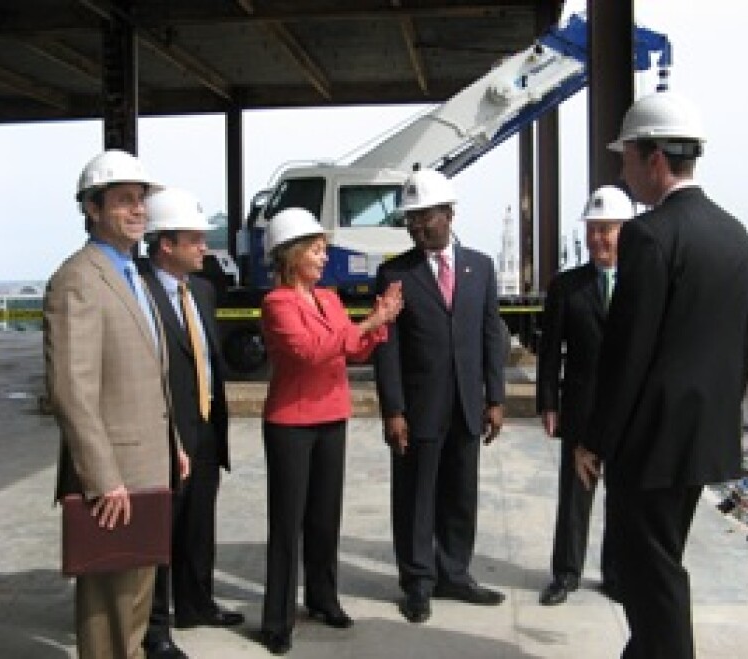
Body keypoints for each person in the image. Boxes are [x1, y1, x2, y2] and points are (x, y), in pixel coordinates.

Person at [574, 92, 748, 659]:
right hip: (702, 437)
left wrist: (595, 438)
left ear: (654, 159)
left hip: (651, 442)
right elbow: (743, 344)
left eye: (626, 157)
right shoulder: (735, 234)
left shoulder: (651, 235)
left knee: (650, 575)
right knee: (661, 560)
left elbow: (627, 354)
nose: (623, 170)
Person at [44, 149, 190, 659]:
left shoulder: (132, 275)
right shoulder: (79, 280)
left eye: (141, 200)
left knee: (134, 610)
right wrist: (103, 478)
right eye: (124, 200)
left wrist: (172, 444)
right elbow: (72, 390)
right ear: (92, 208)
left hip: (147, 468)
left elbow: (149, 374)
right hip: (114, 481)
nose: (137, 210)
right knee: (108, 616)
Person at [258, 208, 403, 655]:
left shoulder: (330, 298)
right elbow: (309, 352)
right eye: (317, 250)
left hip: (330, 415)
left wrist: (377, 326)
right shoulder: (277, 304)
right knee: (288, 522)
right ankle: (277, 618)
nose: (324, 258)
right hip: (291, 422)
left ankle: (323, 597)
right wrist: (370, 324)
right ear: (293, 254)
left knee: (324, 517)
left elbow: (351, 350)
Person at [374, 168, 506, 625]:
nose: (415, 225)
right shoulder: (395, 273)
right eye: (410, 218)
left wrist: (496, 397)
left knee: (460, 494)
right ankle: (417, 582)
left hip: (468, 405)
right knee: (416, 498)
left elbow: (492, 333)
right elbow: (386, 348)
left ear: (449, 213)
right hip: (419, 408)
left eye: (424, 216)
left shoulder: (481, 267)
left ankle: (455, 572)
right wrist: (393, 408)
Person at [138, 188, 244, 659]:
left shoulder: (201, 290)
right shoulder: (136, 291)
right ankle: (155, 626)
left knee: (199, 523)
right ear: (166, 244)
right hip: (166, 433)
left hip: (204, 427)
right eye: (195, 239)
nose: (205, 247)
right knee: (161, 529)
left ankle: (196, 602)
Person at [536, 185, 633, 607]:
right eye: (593, 229)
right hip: (582, 407)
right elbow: (549, 350)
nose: (598, 238)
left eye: (606, 229)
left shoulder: (642, 283)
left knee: (624, 499)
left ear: (624, 231)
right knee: (575, 495)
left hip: (630, 410)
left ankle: (616, 574)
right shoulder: (567, 287)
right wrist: (548, 402)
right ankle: (566, 574)